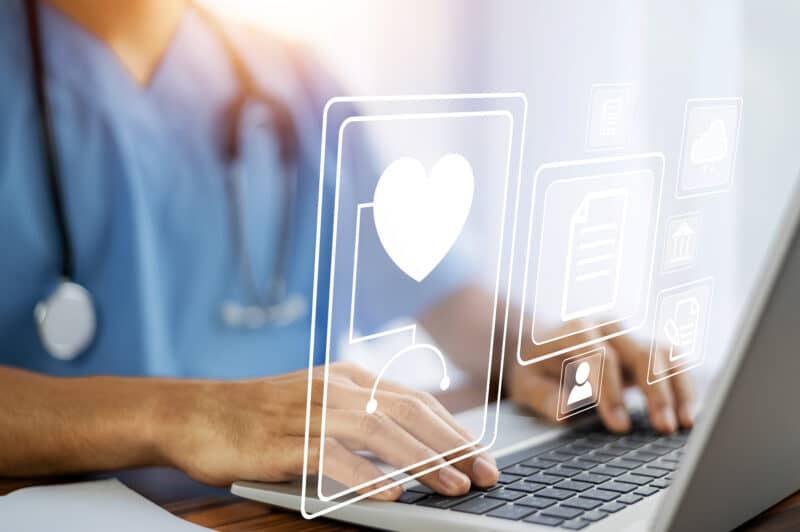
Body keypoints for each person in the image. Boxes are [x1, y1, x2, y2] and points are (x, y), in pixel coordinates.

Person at [0, 0, 693, 502]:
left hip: (319, 509)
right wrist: (185, 414)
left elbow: (440, 294)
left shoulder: (291, 76)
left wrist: (533, 346)